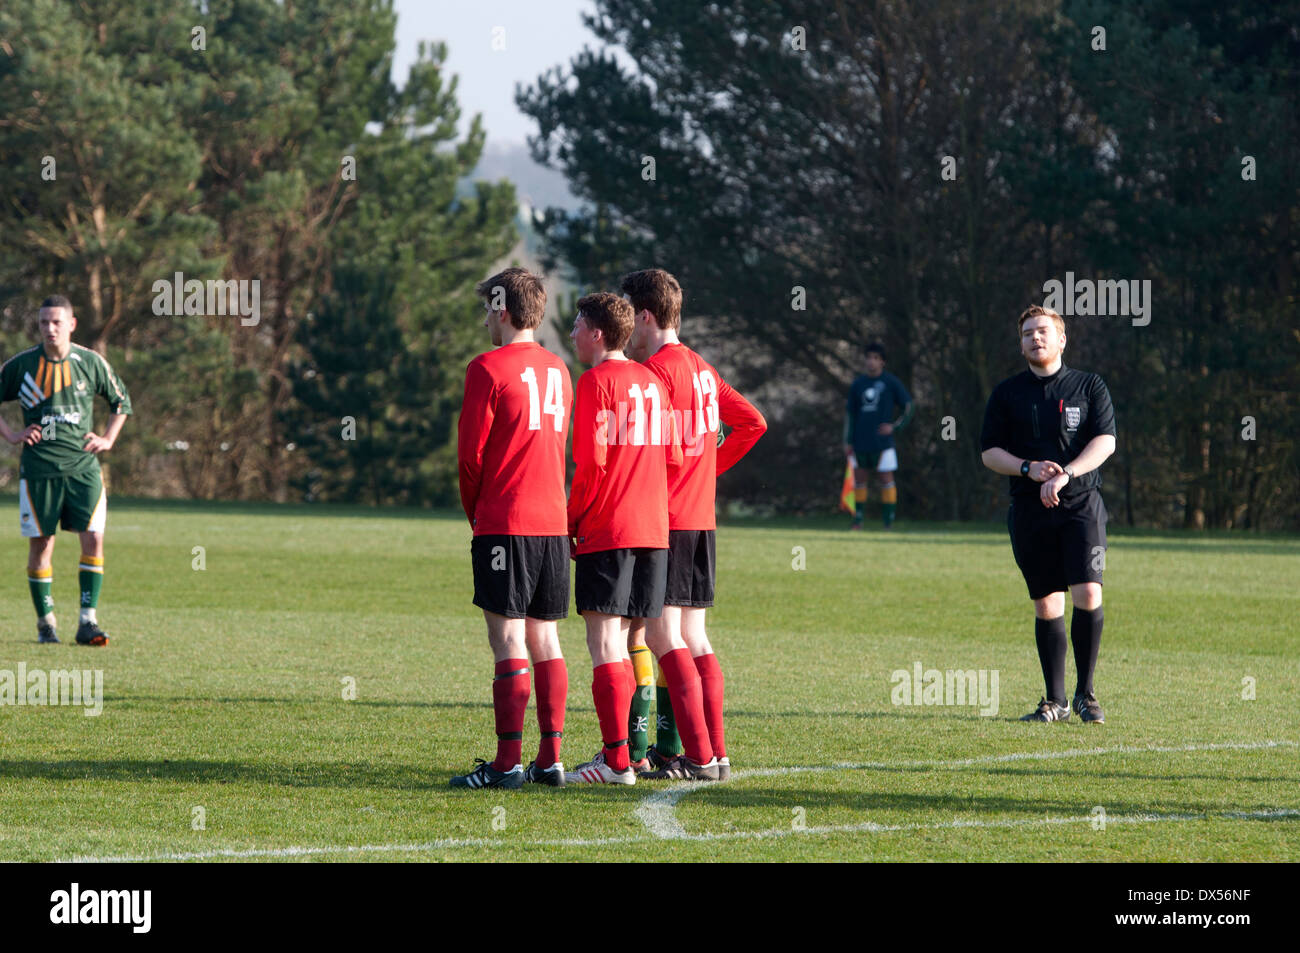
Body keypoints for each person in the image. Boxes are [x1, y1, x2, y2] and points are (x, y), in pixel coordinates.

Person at [626, 268, 767, 781]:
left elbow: (646, 454)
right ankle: (718, 753)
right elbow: (753, 422)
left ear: (646, 315)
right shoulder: (703, 370)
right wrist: (708, 467)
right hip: (702, 521)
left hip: (666, 522)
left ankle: (702, 757)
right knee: (695, 638)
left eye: (630, 317)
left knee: (664, 640)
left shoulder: (656, 374)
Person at [452, 268, 573, 789]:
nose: (484, 320)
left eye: (487, 309)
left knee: (507, 638)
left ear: (502, 310)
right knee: (546, 637)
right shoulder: (559, 369)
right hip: (553, 522)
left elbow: (469, 458)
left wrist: (476, 514)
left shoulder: (486, 368)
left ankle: (507, 764)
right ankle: (551, 760)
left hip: (507, 520)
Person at [565, 292, 683, 785]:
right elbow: (674, 457)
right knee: (636, 638)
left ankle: (616, 762)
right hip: (654, 532)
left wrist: (572, 521)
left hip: (608, 528)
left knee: (602, 643)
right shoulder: (654, 382)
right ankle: (633, 753)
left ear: (596, 333)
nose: (571, 333)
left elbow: (590, 463)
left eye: (576, 324)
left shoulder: (594, 382)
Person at [979, 305, 1116, 724]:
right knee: (1046, 602)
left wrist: (1066, 474)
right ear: (1020, 344)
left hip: (1081, 506)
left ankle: (1086, 695)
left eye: (1042, 331)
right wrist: (1028, 468)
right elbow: (989, 453)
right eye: (1027, 334)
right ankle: (1053, 701)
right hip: (1028, 509)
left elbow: (1106, 441)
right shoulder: (1006, 393)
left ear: (1061, 339)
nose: (1034, 338)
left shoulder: (1089, 386)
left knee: (1088, 592)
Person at [0, 296, 130, 646]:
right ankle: (46, 623)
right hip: (39, 470)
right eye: (44, 322)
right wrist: (12, 434)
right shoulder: (23, 365)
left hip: (82, 468)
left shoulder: (89, 362)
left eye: (57, 322)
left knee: (94, 538)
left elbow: (120, 402)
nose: (50, 329)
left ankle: (88, 621)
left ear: (71, 324)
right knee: (42, 544)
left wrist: (107, 439)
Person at [843, 342, 913, 530]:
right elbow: (850, 414)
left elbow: (908, 406)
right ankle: (858, 521)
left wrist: (895, 427)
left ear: (883, 362)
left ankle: (888, 523)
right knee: (859, 480)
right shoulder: (858, 384)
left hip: (883, 442)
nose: (871, 362)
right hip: (860, 440)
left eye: (876, 358)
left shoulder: (891, 382)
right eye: (868, 357)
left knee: (886, 479)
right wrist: (847, 440)